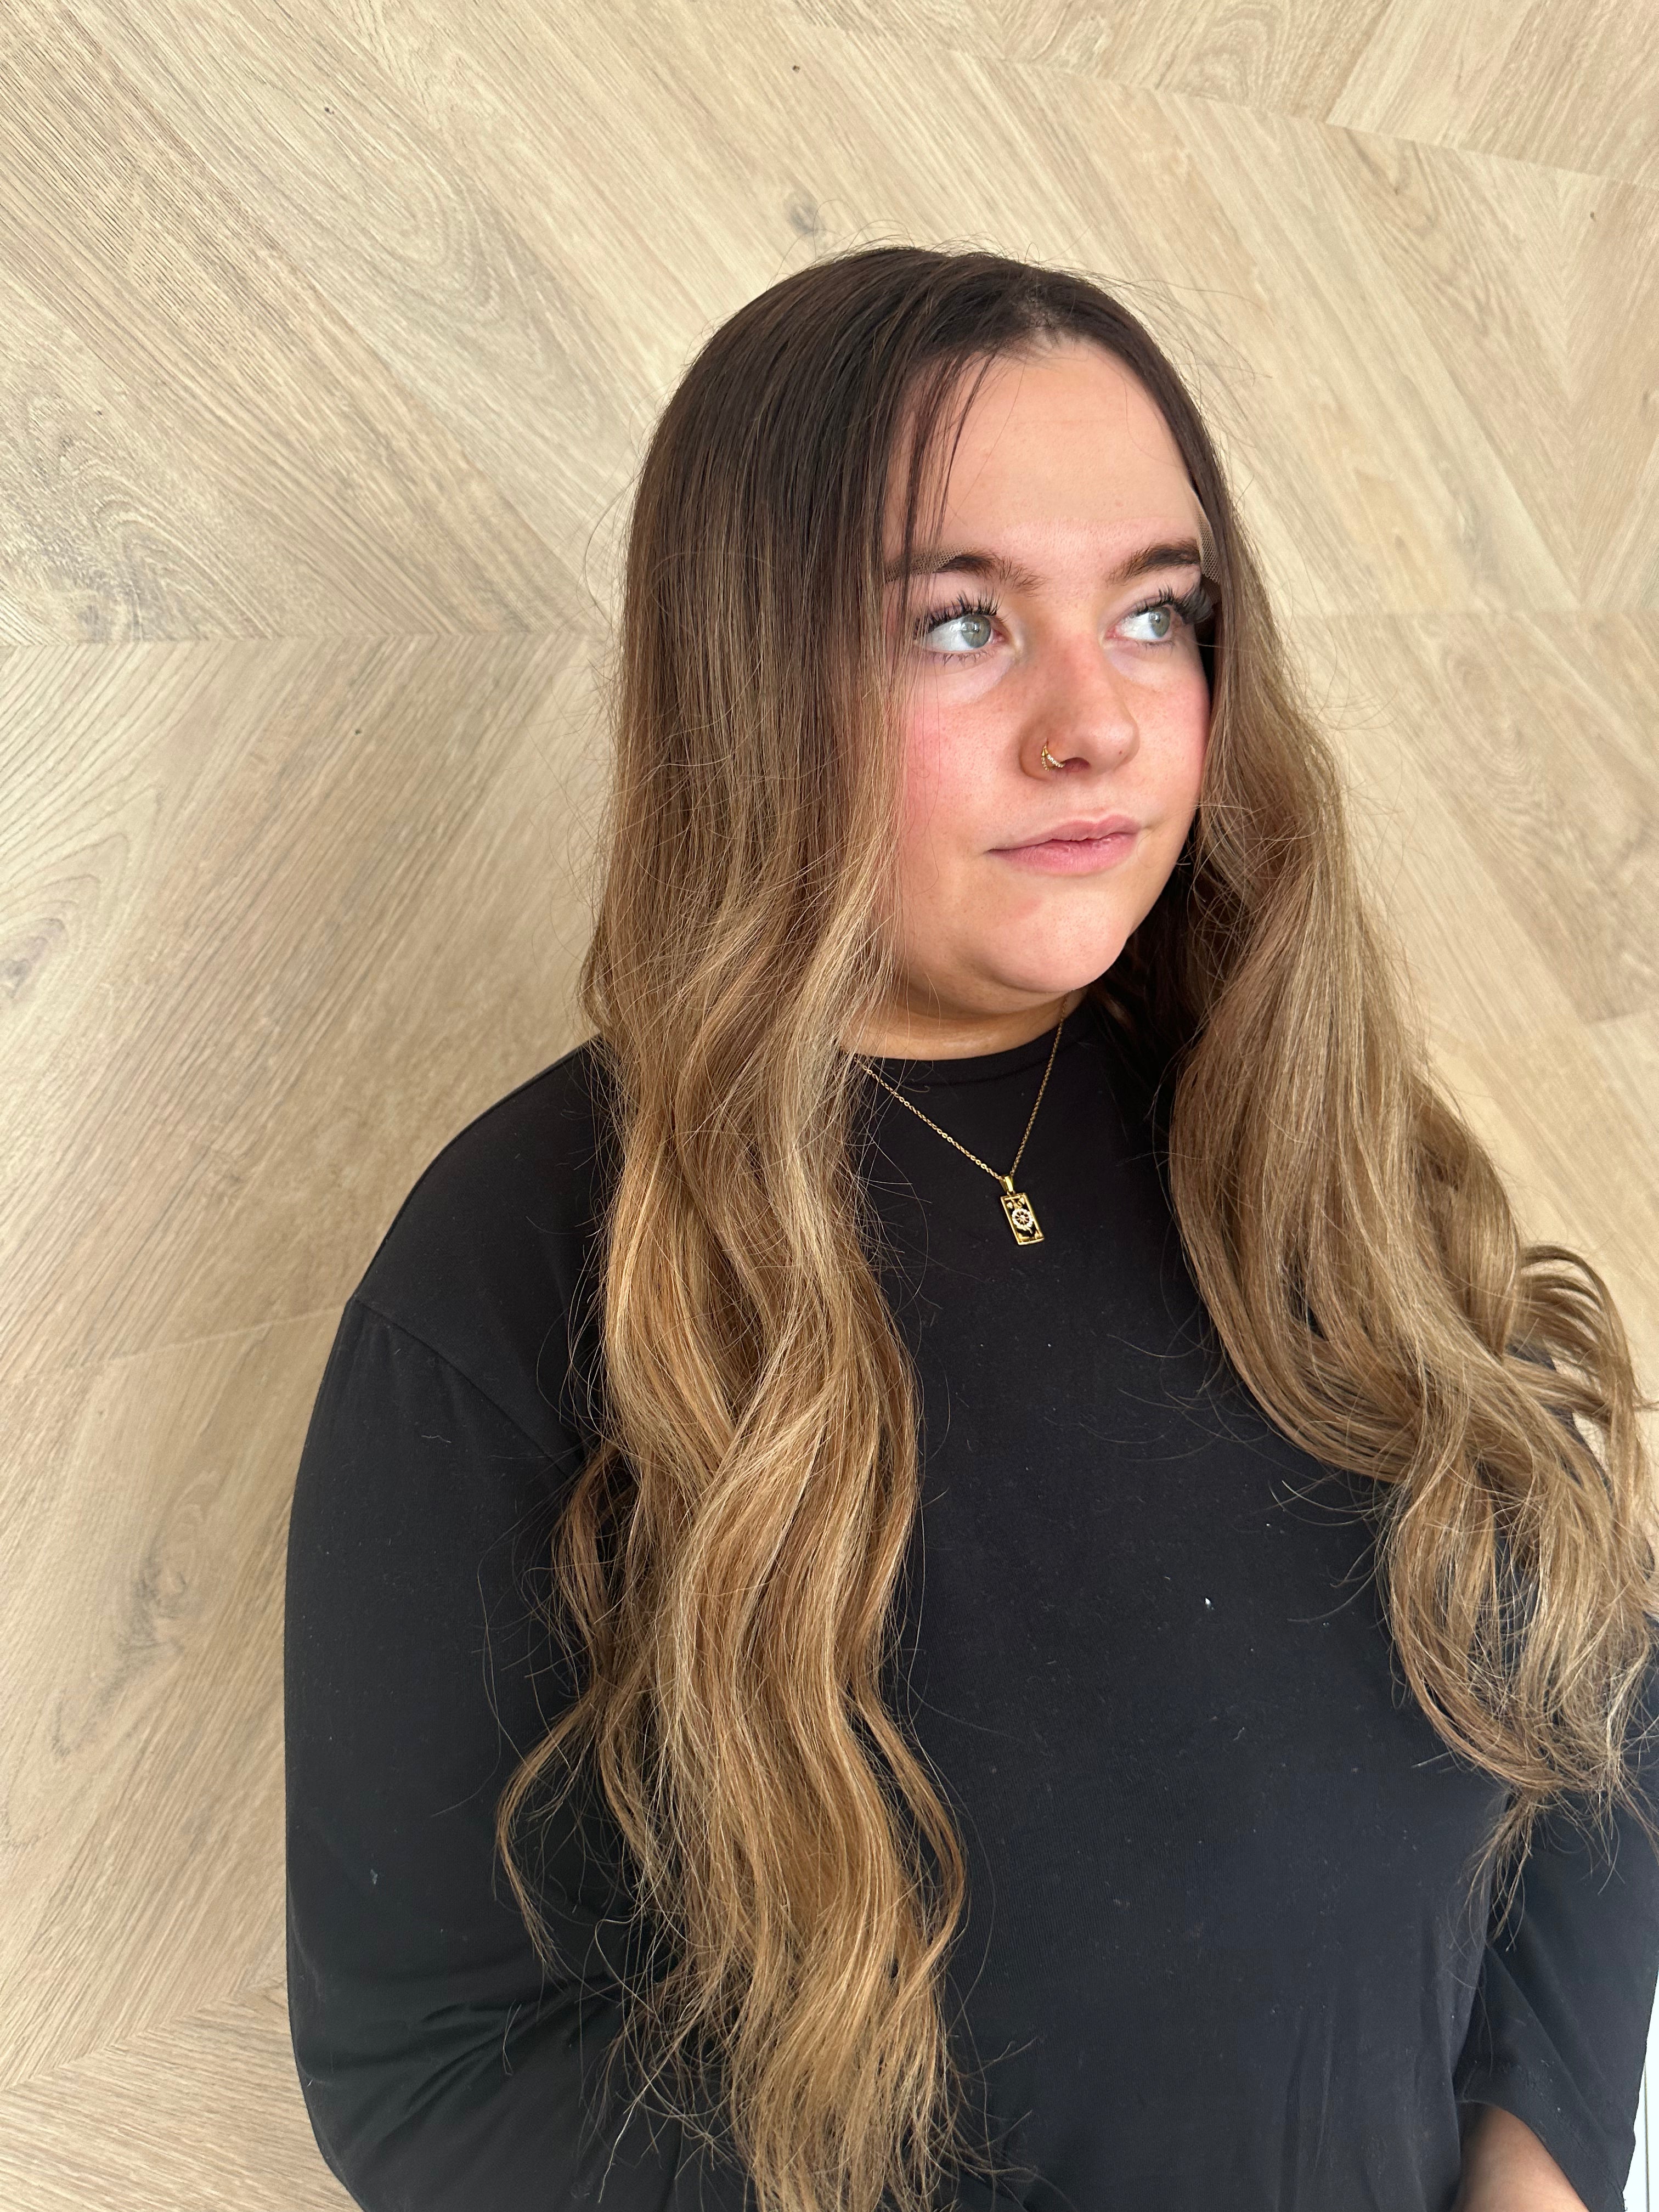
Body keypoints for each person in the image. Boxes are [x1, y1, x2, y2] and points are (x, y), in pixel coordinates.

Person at [283, 246, 1659, 2212]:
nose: (1097, 722)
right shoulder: (522, 1270)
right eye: (959, 624)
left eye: (1158, 611)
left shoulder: (1299, 1123)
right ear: (751, 671)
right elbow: (437, 2072)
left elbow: (1594, 1672)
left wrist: (1536, 2169)